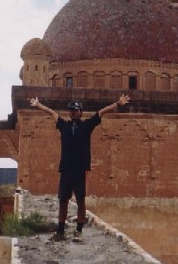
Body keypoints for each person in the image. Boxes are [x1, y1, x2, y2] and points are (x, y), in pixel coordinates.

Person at [30, 94, 130, 242]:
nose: (73, 112)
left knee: (80, 200)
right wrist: (38, 105)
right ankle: (60, 231)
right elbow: (52, 113)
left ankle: (78, 231)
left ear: (80, 112)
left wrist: (118, 104)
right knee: (63, 200)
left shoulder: (86, 126)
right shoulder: (64, 126)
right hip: (66, 169)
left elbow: (101, 112)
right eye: (71, 110)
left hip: (79, 170)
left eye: (76, 110)